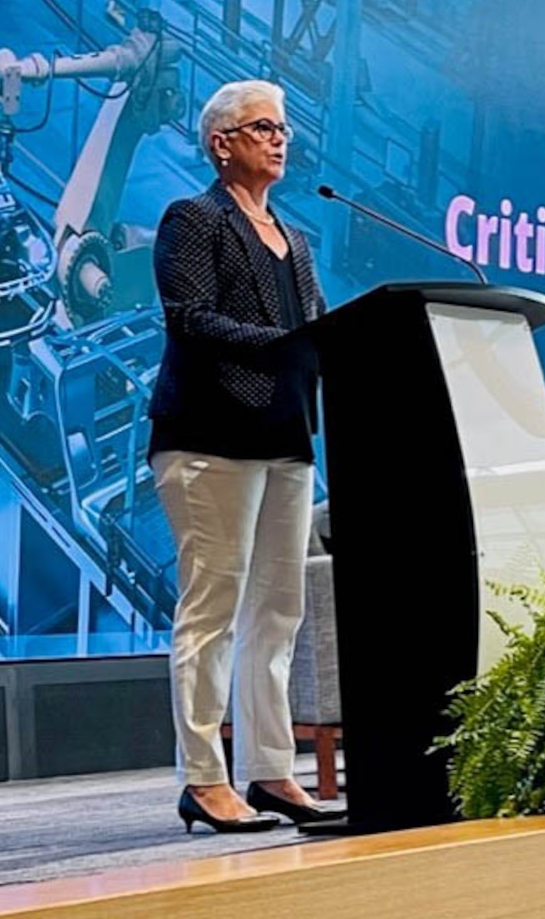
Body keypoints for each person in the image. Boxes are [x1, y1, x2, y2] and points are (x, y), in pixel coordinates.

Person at [149, 79, 338, 833]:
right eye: (263, 127)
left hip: (285, 438)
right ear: (222, 142)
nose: (280, 138)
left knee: (278, 614)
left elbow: (319, 327)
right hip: (208, 437)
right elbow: (189, 317)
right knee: (213, 611)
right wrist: (287, 347)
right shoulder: (193, 220)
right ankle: (202, 777)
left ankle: (269, 772)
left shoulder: (295, 237)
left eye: (283, 127)